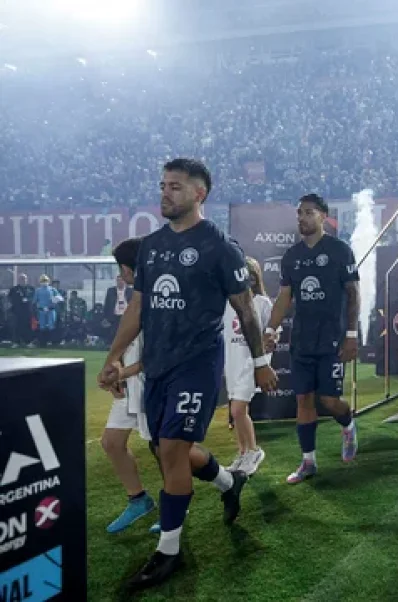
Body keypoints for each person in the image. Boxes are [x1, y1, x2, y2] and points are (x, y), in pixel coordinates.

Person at [97, 158, 277, 590]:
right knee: (163, 448)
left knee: (173, 452)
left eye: (175, 187)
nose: (165, 193)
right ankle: (228, 482)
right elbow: (138, 306)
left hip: (196, 366)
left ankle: (168, 552)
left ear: (200, 194)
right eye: (163, 185)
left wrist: (259, 363)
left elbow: (246, 310)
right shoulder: (152, 246)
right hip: (157, 366)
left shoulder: (220, 247)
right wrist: (114, 357)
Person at [264, 193, 360, 484]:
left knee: (329, 401)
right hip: (302, 341)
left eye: (308, 212)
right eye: (299, 213)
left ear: (323, 216)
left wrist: (351, 335)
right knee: (303, 399)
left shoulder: (339, 250)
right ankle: (308, 462)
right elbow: (284, 297)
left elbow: (353, 294)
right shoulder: (292, 256)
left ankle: (348, 425)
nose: (302, 218)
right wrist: (270, 330)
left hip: (332, 339)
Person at [102, 237, 155, 534]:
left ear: (126, 269)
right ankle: (139, 500)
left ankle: (223, 480)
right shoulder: (136, 298)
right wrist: (116, 369)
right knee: (111, 442)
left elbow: (157, 357)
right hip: (131, 385)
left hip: (153, 385)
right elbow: (127, 341)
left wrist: (120, 374)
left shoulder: (158, 298)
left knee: (167, 450)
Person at [223, 256, 273, 475]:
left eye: (250, 276)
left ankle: (254, 451)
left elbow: (272, 334)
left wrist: (270, 341)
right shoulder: (226, 303)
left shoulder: (262, 303)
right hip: (231, 363)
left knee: (238, 409)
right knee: (237, 412)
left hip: (251, 364)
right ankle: (243, 453)